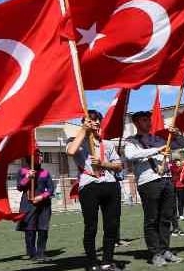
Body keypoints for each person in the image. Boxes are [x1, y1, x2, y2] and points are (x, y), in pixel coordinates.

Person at [124, 111, 184, 267]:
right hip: (148, 182)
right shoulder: (131, 141)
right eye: (144, 120)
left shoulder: (158, 138)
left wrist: (178, 134)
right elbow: (130, 155)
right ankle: (155, 253)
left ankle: (165, 249)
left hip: (166, 179)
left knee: (166, 218)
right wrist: (156, 150)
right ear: (136, 123)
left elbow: (182, 145)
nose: (149, 122)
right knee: (152, 219)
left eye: (149, 120)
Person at [66, 110, 124, 271]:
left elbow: (119, 165)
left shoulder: (108, 144)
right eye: (92, 119)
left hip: (110, 184)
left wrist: (104, 164)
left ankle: (107, 261)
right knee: (91, 226)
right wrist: (84, 130)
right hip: (89, 185)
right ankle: (92, 262)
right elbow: (71, 152)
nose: (96, 122)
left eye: (98, 119)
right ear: (84, 122)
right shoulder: (75, 140)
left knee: (112, 225)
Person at [16, 149, 55, 262]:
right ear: (31, 158)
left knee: (43, 229)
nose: (41, 158)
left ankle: (41, 253)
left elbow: (51, 189)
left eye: (42, 155)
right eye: (38, 155)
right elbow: (19, 187)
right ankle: (32, 253)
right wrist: (27, 177)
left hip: (44, 205)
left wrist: (42, 197)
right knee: (30, 230)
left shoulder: (45, 173)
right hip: (28, 204)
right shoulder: (22, 171)